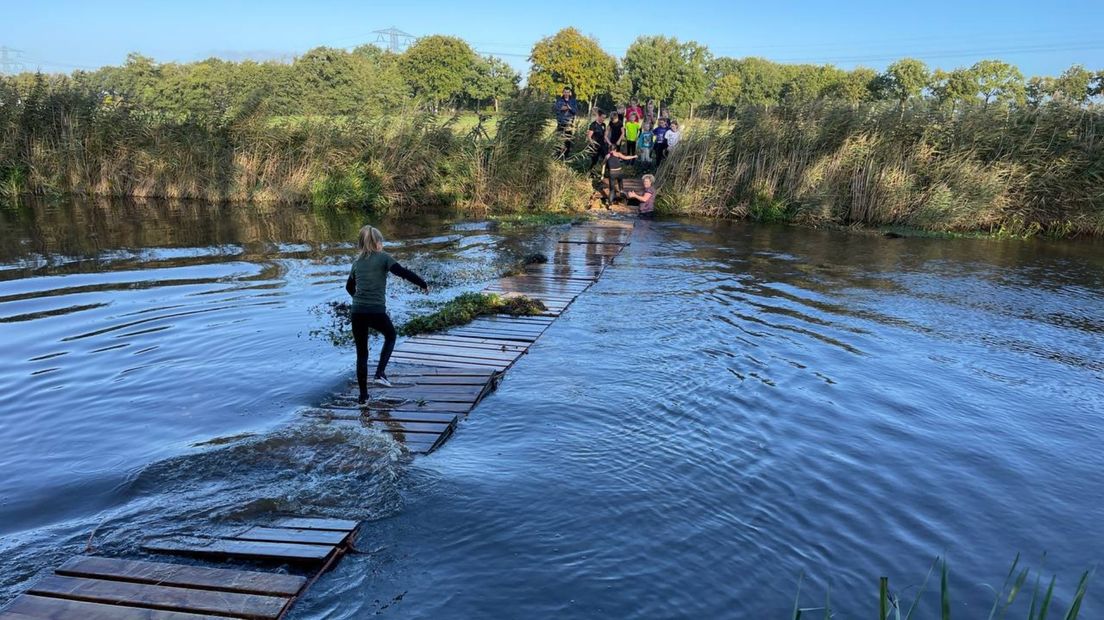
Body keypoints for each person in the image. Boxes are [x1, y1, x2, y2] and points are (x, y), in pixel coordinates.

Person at [345, 225, 429, 404]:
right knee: (391, 335)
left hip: (357, 312)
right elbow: (403, 272)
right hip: (375, 310)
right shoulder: (383, 258)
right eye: (381, 241)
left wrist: (360, 300)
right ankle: (380, 373)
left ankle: (363, 397)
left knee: (361, 354)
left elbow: (349, 288)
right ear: (376, 243)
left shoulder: (356, 262)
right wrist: (422, 284)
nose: (382, 244)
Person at [554, 87, 578, 159]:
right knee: (559, 139)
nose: (566, 93)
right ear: (563, 92)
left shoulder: (573, 101)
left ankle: (566, 156)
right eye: (565, 92)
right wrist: (568, 108)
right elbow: (558, 109)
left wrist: (569, 107)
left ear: (570, 93)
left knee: (568, 140)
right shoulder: (559, 100)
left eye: (568, 92)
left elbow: (575, 111)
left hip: (569, 123)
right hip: (561, 122)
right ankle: (557, 155)